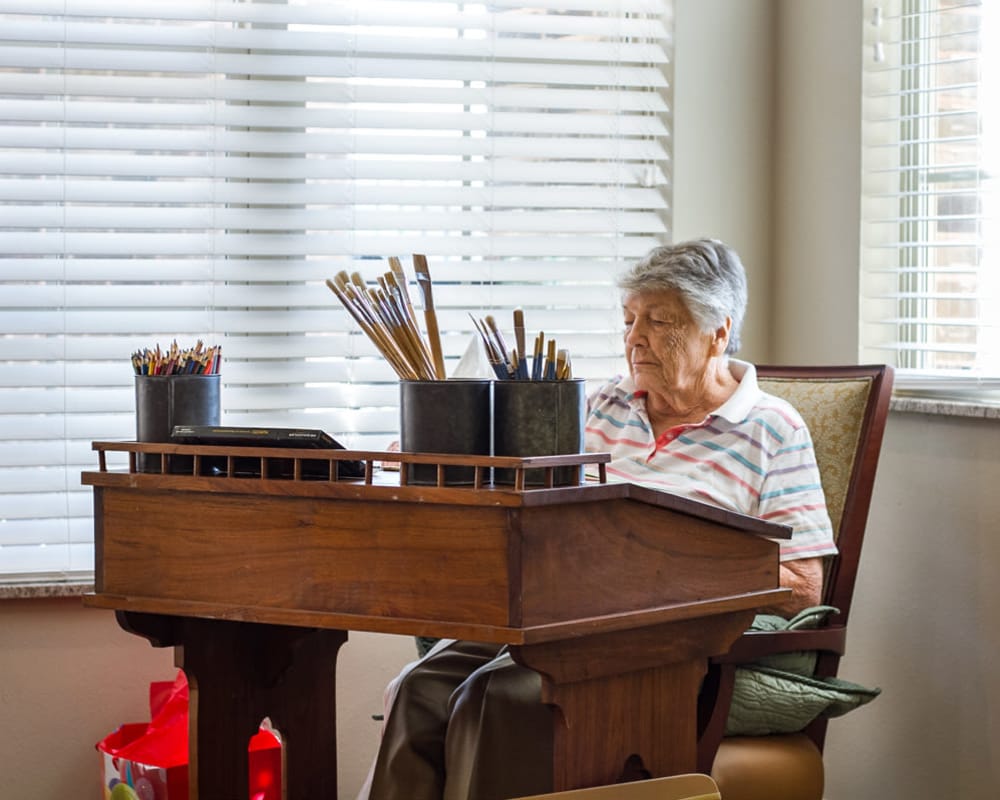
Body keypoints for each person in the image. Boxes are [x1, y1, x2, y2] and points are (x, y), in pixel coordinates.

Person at [358, 238, 837, 800]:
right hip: (551, 615)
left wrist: (662, 573)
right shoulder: (599, 404)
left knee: (494, 698)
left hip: (652, 639)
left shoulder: (772, 428)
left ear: (719, 332)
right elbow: (527, 489)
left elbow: (802, 586)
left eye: (660, 321)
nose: (635, 337)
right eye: (630, 318)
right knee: (419, 690)